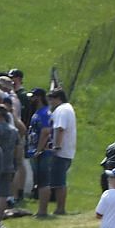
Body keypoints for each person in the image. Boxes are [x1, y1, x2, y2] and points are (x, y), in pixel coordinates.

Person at [39, 87, 76, 217]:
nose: (51, 102)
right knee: (60, 180)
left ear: (58, 98)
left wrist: (57, 147)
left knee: (59, 182)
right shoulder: (68, 108)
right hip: (68, 151)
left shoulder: (62, 110)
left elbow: (60, 129)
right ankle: (59, 207)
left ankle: (60, 208)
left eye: (52, 99)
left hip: (62, 152)